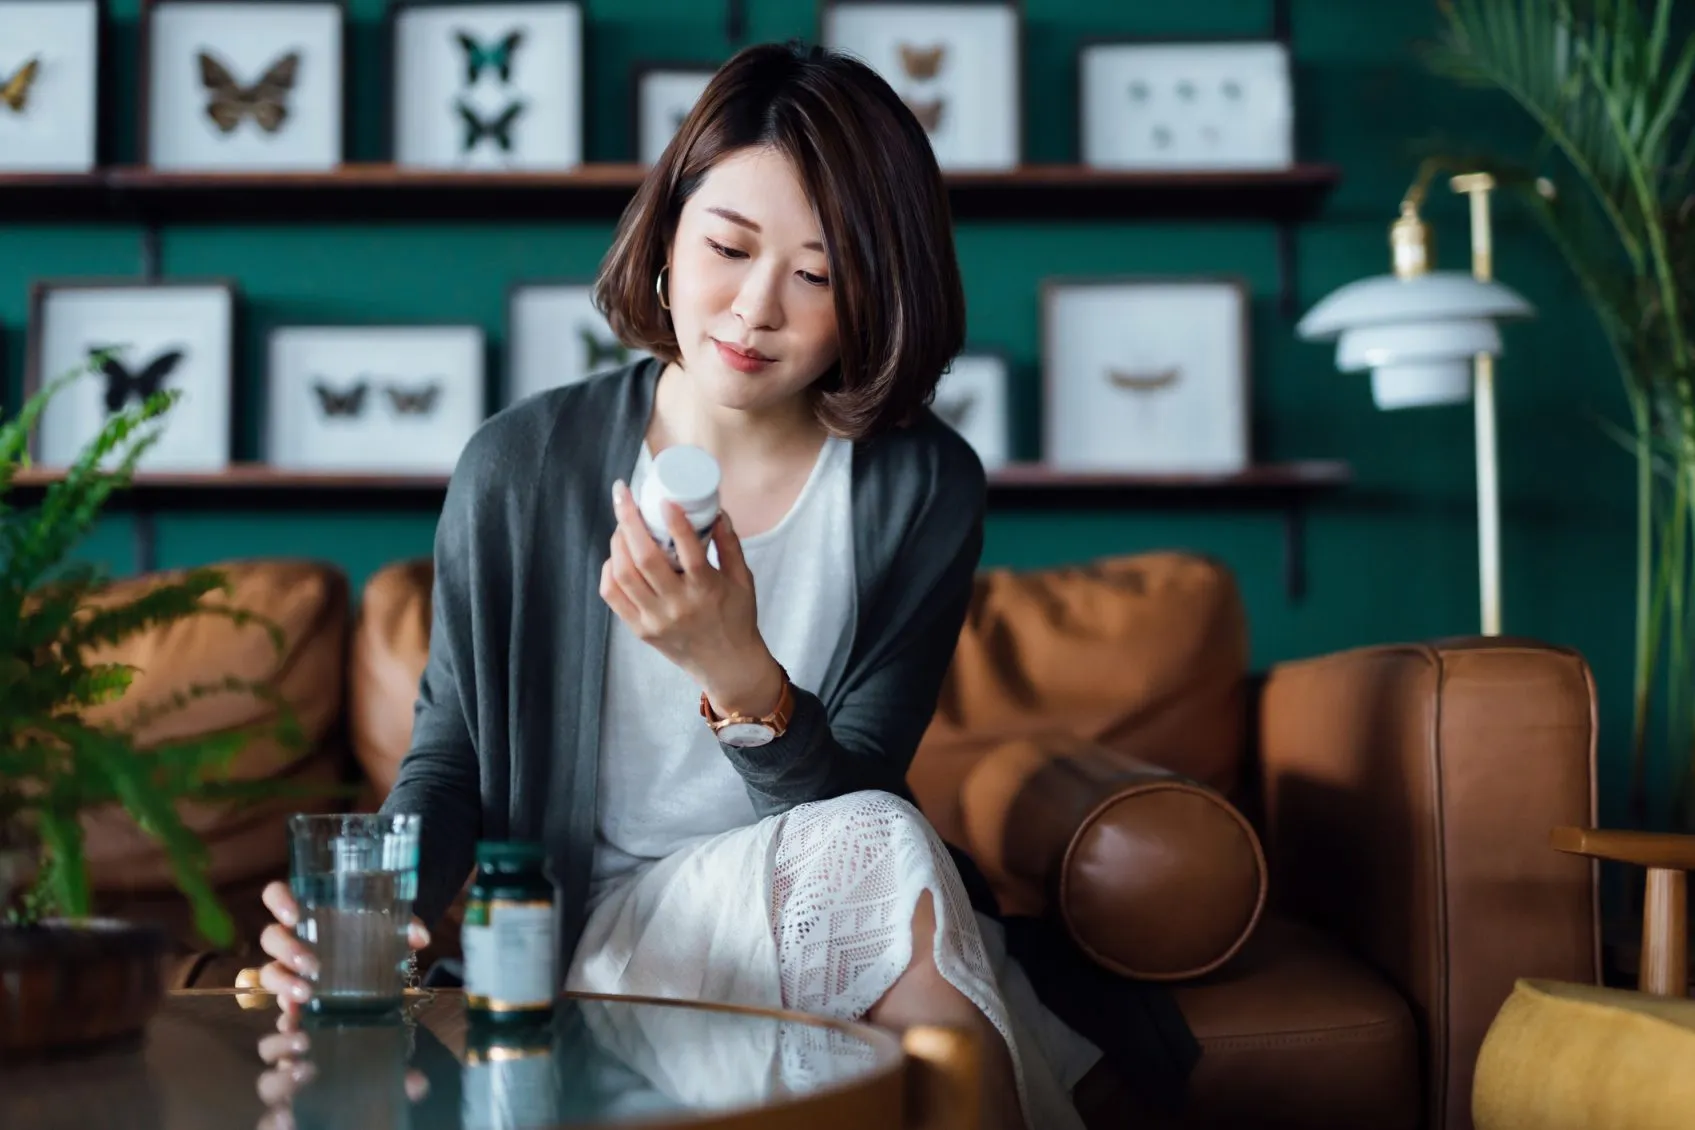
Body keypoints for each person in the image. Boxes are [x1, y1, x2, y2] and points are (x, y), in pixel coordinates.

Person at [254, 40, 1110, 1130]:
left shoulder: (917, 483)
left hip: (821, 892)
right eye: (728, 246)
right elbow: (450, 758)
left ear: (874, 298)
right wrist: (383, 914)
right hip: (596, 927)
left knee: (886, 842)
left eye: (816, 273)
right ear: (665, 238)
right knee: (897, 858)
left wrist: (735, 669)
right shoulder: (521, 465)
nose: (756, 309)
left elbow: (849, 799)